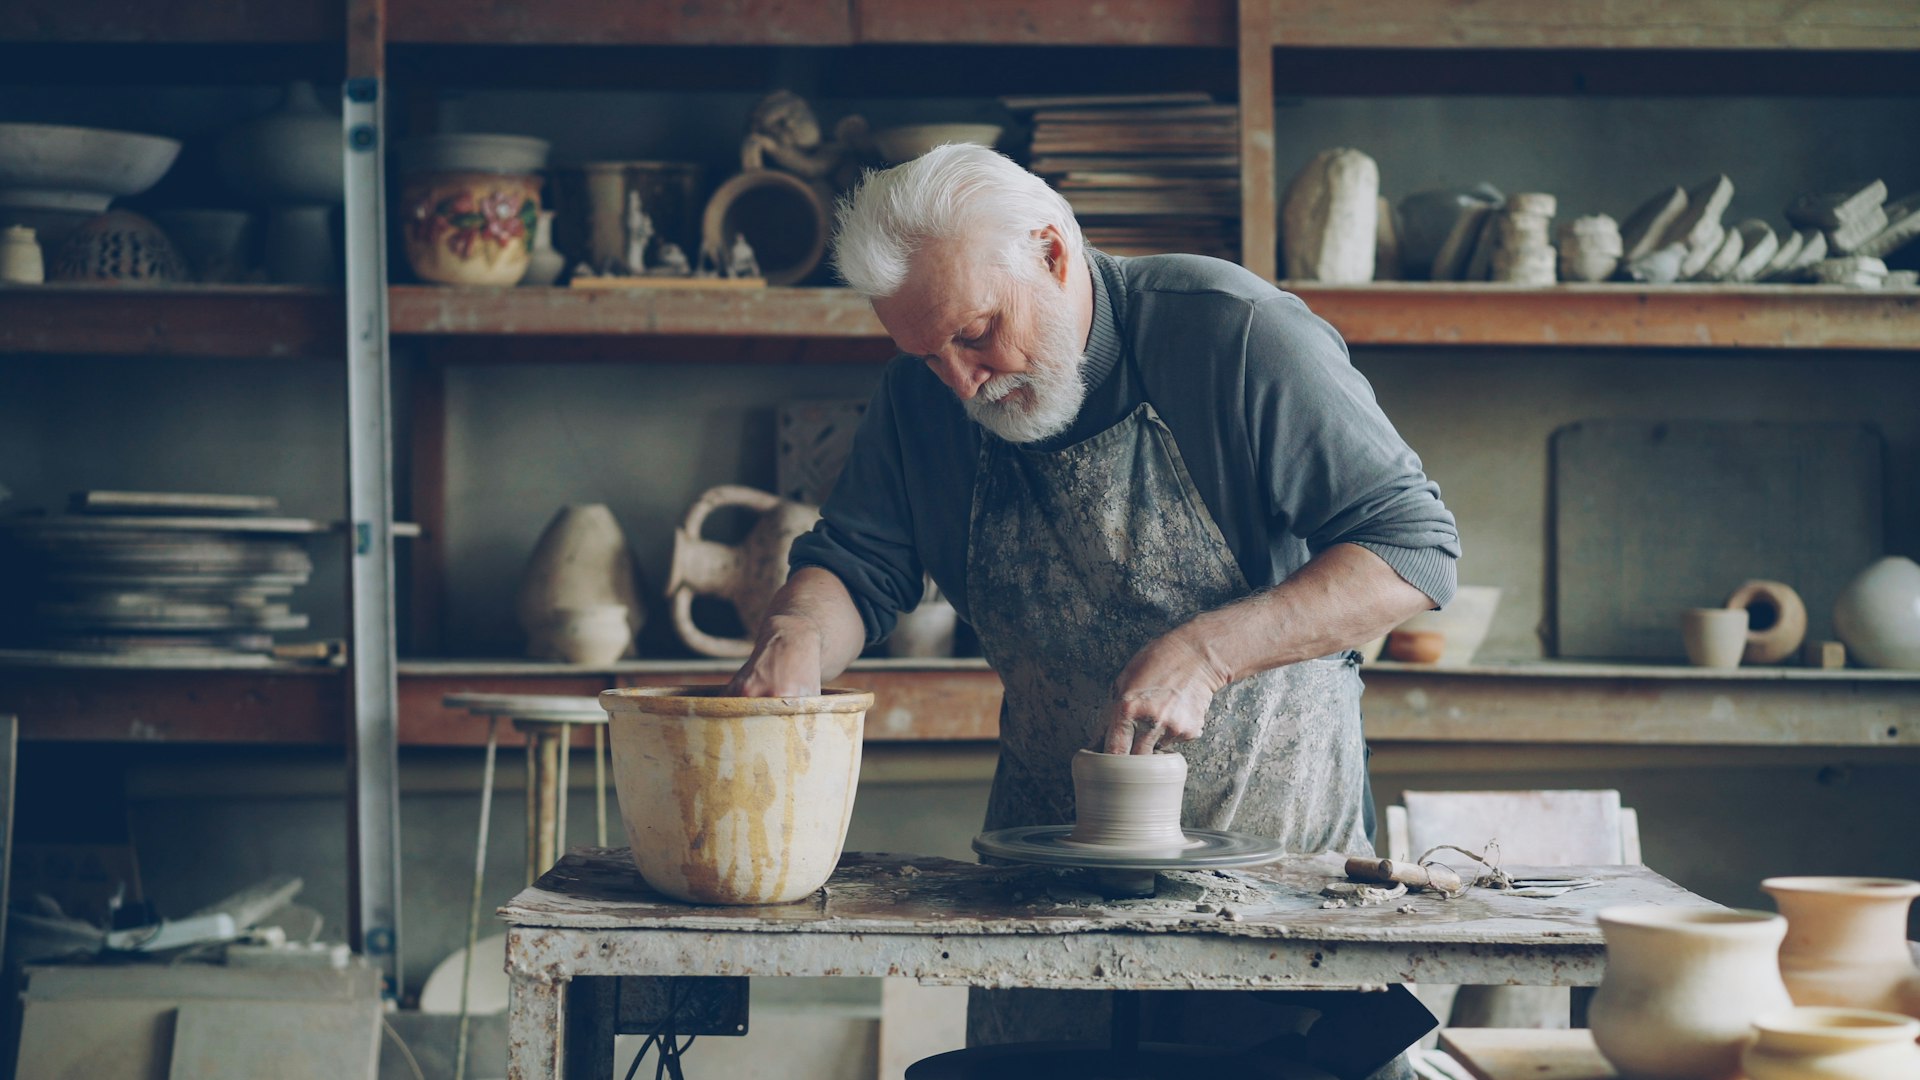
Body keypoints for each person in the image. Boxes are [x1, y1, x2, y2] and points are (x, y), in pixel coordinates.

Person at [727, 144, 1459, 1074]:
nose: (962, 381)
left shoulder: (1233, 335)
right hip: (1047, 897)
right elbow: (857, 564)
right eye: (926, 353)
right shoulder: (924, 397)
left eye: (977, 333)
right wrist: (796, 634)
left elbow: (1414, 547)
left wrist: (1210, 650)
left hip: (1274, 888)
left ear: (1052, 253)